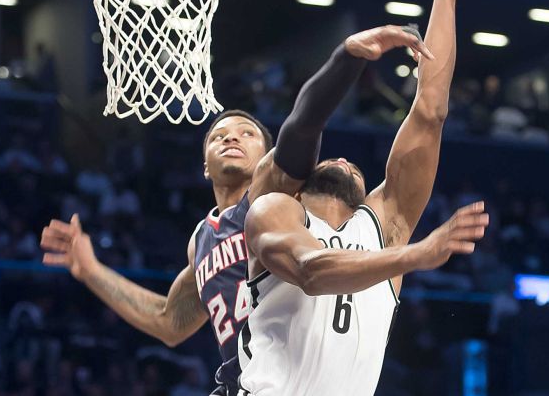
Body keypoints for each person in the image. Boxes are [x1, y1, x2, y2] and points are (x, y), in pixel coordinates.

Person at [39, 26, 432, 396]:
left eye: (247, 134)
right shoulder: (202, 238)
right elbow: (169, 321)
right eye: (218, 135)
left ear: (268, 156)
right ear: (205, 165)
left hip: (297, 370)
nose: (231, 137)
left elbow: (304, 126)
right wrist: (90, 270)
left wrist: (345, 59)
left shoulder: (273, 199)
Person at [238, 0, 484, 394]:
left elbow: (431, 111)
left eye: (352, 163)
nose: (343, 159)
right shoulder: (275, 209)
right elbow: (309, 270)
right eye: (332, 157)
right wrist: (414, 256)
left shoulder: (384, 229)